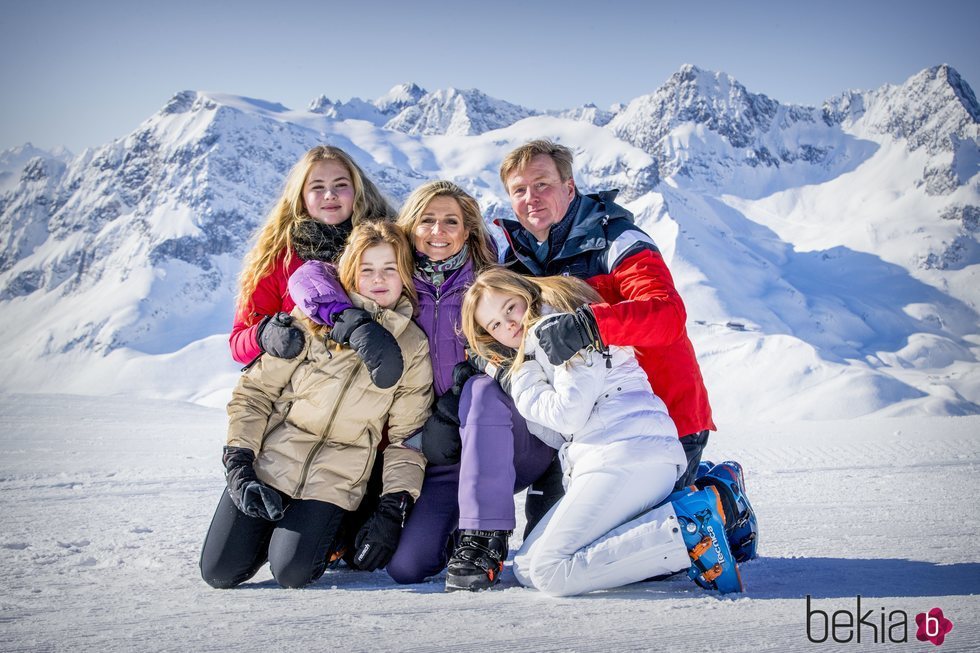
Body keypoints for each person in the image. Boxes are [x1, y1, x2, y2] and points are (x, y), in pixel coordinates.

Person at [492, 139, 758, 565]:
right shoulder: (516, 261)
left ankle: (719, 495)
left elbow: (666, 313)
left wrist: (590, 323)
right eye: (519, 190)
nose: (531, 198)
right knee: (551, 548)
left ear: (570, 187)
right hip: (586, 430)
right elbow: (496, 331)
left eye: (542, 184)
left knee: (643, 554)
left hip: (663, 420)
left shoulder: (615, 237)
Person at [287, 180, 561, 587]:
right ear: (409, 227)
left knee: (479, 391)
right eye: (427, 221)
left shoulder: (489, 282)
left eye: (451, 221)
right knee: (407, 566)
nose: (438, 231)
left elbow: (533, 328)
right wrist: (349, 320)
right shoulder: (395, 277)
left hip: (502, 437)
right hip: (438, 452)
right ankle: (453, 530)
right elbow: (311, 275)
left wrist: (463, 393)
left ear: (468, 230)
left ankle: (486, 534)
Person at [459, 268, 743, 596]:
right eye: (494, 324)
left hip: (627, 454)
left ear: (527, 294)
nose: (508, 324)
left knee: (551, 573)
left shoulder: (558, 330)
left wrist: (517, 376)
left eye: (510, 307)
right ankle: (705, 503)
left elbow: (567, 414)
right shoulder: (540, 346)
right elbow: (553, 432)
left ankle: (688, 531)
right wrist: (511, 369)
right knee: (526, 568)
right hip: (610, 456)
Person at [200, 220, 433, 589]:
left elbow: (407, 437)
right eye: (367, 269)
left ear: (404, 273)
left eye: (390, 268)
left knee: (292, 572)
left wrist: (393, 506)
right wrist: (240, 464)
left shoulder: (413, 346)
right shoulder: (312, 319)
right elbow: (254, 393)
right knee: (219, 572)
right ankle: (268, 531)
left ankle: (330, 531)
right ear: (350, 270)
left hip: (335, 477)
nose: (378, 279)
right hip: (272, 461)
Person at [228, 145, 395, 367]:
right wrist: (265, 335)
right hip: (307, 390)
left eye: (341, 185)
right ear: (301, 196)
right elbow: (239, 344)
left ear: (357, 190)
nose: (330, 195)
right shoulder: (279, 258)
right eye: (318, 187)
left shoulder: (389, 243)